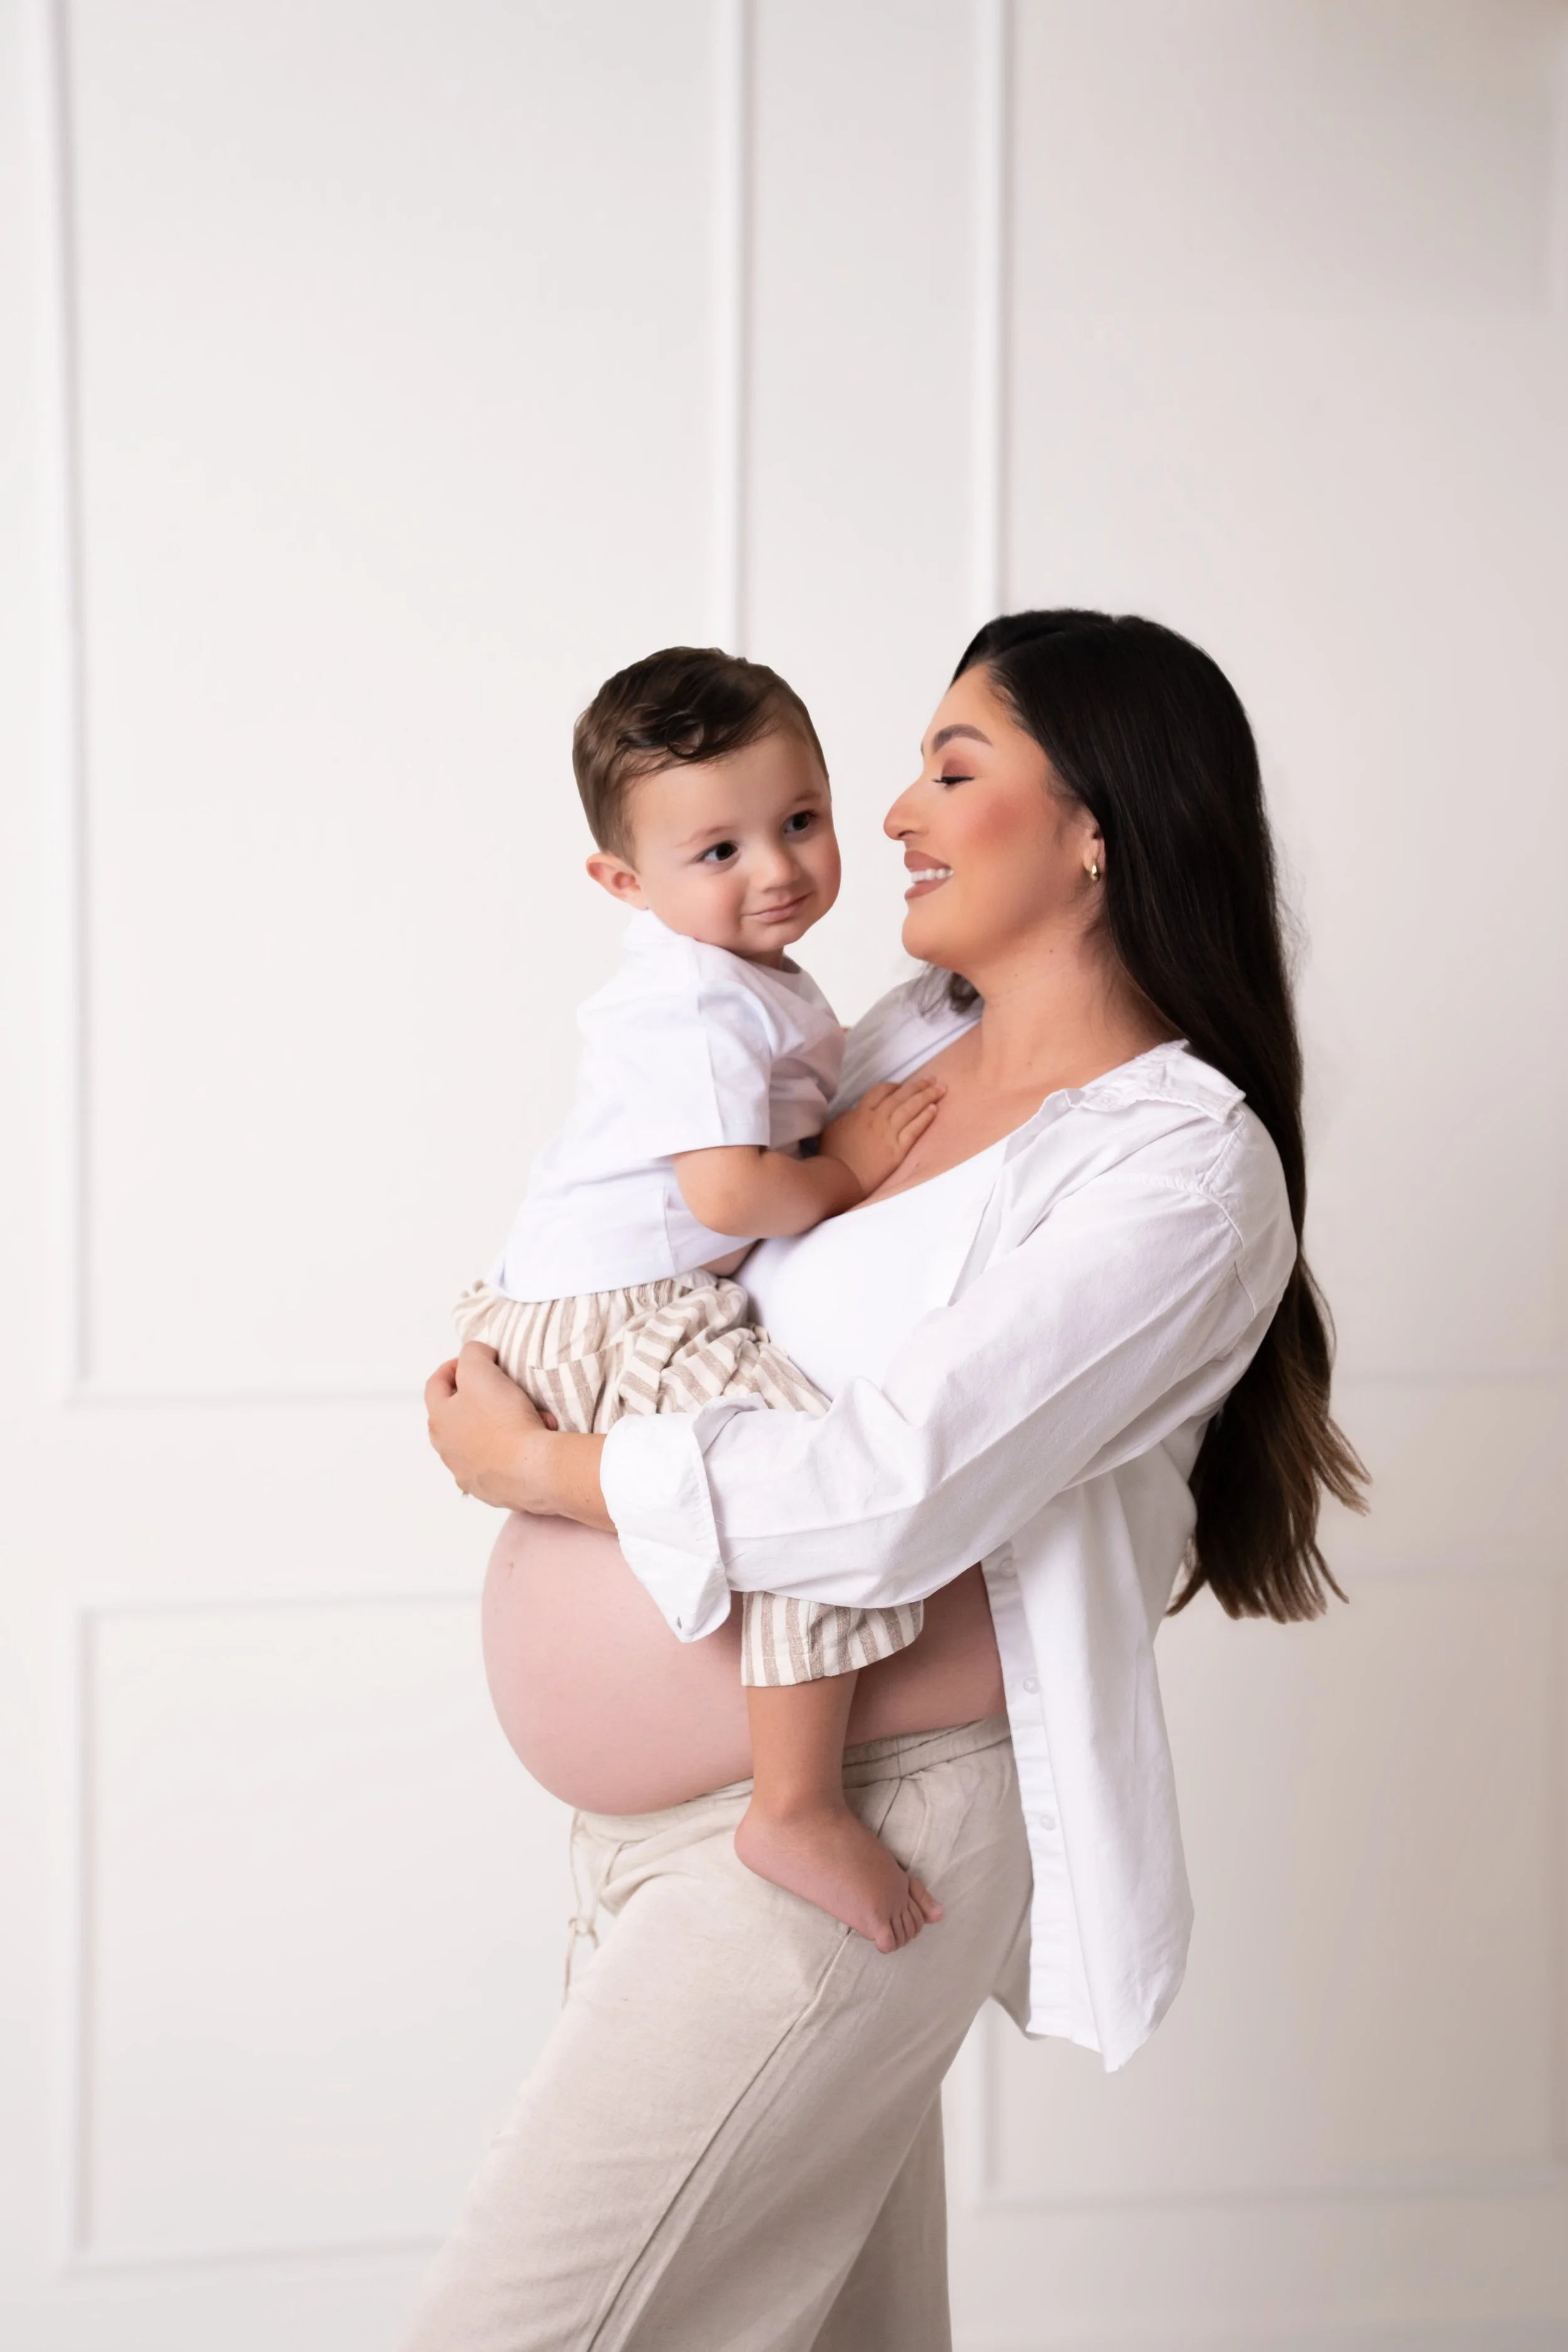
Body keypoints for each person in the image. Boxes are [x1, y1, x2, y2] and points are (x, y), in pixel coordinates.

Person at [411, 610, 1365, 2352]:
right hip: (642, 1832)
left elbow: (882, 1487)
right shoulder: (905, 1033)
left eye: (952, 764)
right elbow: (691, 1239)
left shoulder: (1178, 1165)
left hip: (859, 1808)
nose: (897, 813)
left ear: (1097, 825)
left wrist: (537, 1463)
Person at [452, 645, 950, 1951]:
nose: (777, 870)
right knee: (803, 1486)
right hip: (617, 1307)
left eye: (798, 822)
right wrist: (842, 1168)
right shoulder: (692, 1002)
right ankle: (791, 1805)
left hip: (600, 1290)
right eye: (716, 852)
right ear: (623, 881)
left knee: (795, 1481)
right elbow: (730, 1194)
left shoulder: (738, 978)